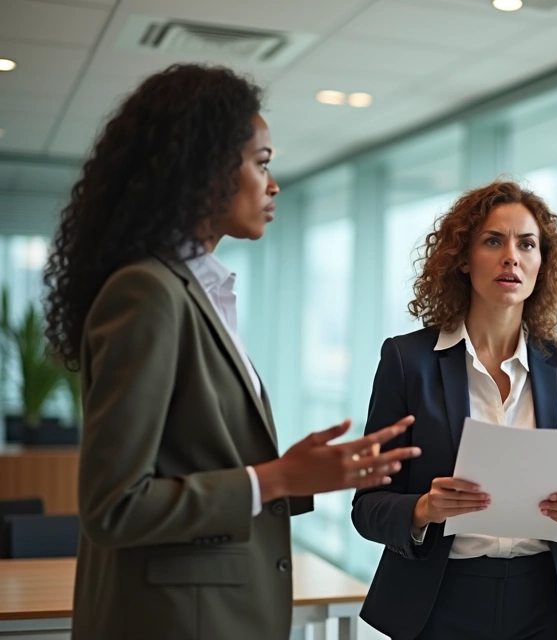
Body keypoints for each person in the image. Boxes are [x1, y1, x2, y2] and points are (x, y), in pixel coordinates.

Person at [42, 64, 420, 640]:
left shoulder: (194, 290)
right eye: (261, 162)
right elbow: (114, 504)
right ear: (204, 167)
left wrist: (296, 477)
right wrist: (273, 478)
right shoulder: (147, 292)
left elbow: (196, 461)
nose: (273, 184)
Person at [351, 181, 557, 640]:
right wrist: (424, 509)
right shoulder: (406, 361)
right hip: (438, 601)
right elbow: (367, 506)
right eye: (494, 241)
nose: (511, 256)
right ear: (463, 258)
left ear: (540, 265)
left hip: (544, 605)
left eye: (526, 244)